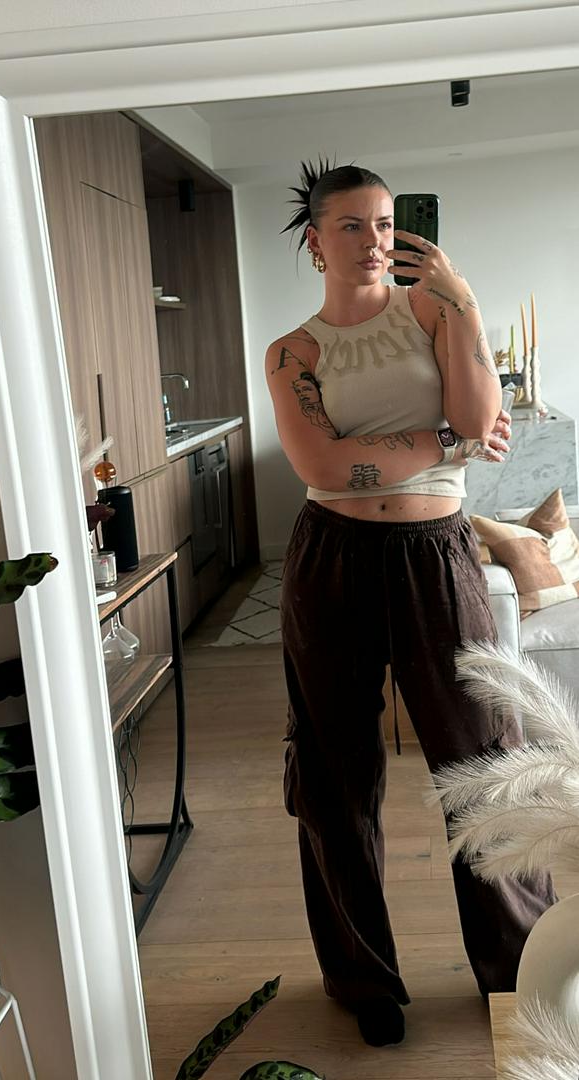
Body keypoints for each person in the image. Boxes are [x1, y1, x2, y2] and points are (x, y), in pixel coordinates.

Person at [264, 161, 556, 1048]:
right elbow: (325, 467)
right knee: (332, 775)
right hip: (332, 559)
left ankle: (520, 967)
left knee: (483, 761)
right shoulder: (292, 352)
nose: (374, 240)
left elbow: (482, 414)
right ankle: (362, 980)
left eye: (386, 223)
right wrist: (445, 439)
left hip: (436, 554)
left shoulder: (433, 310)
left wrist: (459, 296)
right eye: (351, 225)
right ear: (315, 241)